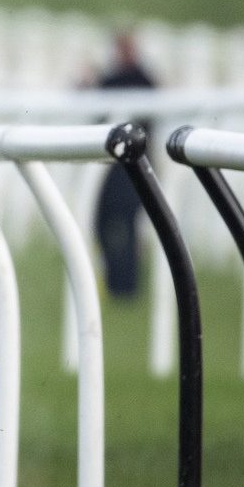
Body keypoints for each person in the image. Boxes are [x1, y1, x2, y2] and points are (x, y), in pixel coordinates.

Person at [92, 30, 158, 296]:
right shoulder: (145, 81)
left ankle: (123, 284)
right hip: (121, 171)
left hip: (124, 172)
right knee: (113, 226)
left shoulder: (133, 81)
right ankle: (121, 283)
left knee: (122, 227)